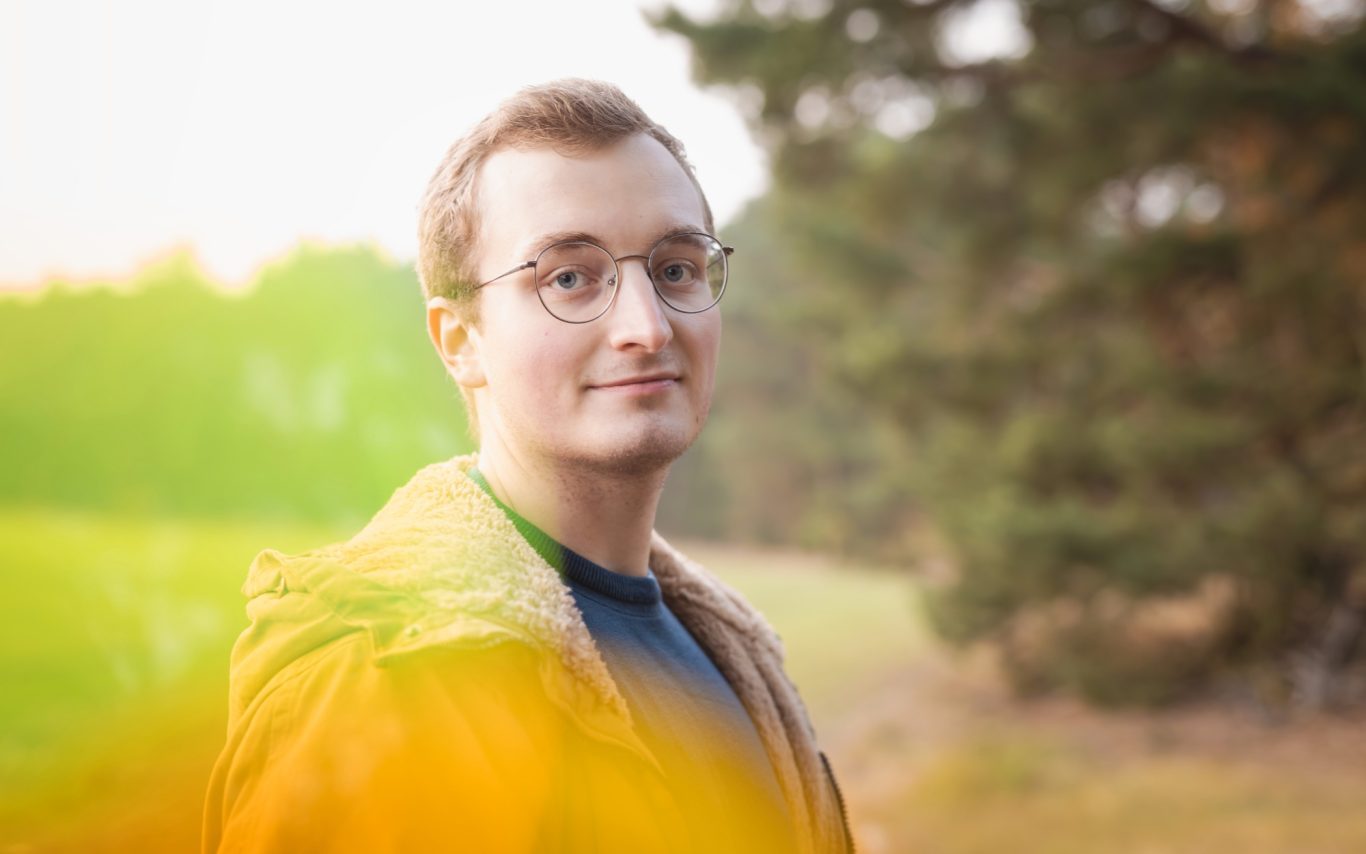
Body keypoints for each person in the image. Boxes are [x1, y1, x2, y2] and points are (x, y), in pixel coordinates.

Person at [201, 79, 852, 854]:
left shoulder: (734, 657)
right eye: (569, 278)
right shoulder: (386, 680)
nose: (646, 327)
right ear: (459, 342)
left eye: (676, 268)